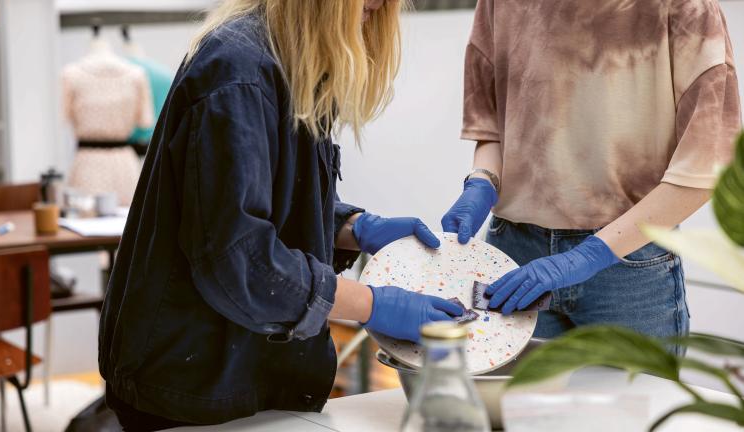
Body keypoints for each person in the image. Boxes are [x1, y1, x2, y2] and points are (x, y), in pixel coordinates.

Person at [99, 0, 463, 429]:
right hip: (189, 382)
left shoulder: (293, 60)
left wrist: (352, 228)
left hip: (244, 366)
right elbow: (238, 258)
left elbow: (267, 202)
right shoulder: (238, 72)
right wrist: (369, 303)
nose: (381, 4)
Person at [443, 0, 741, 347]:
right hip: (514, 254)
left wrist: (591, 255)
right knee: (513, 402)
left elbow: (707, 168)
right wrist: (482, 180)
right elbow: (491, 125)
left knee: (634, 400)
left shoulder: (687, 8)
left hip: (629, 263)